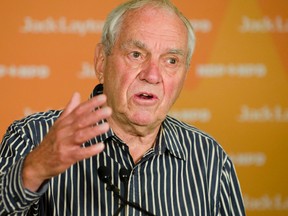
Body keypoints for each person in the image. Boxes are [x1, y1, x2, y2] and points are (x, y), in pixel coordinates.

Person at [0, 0, 246, 215]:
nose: (152, 75)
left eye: (171, 61)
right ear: (101, 61)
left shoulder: (210, 159)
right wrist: (33, 171)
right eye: (136, 54)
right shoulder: (33, 137)